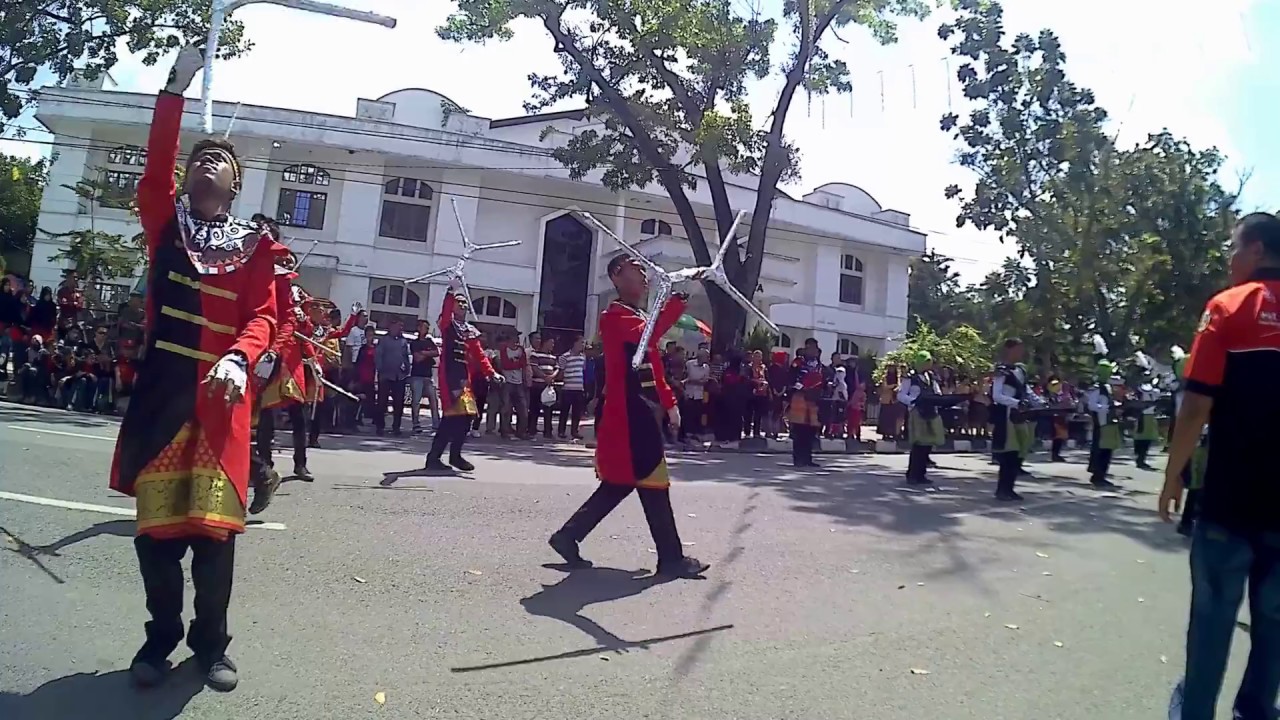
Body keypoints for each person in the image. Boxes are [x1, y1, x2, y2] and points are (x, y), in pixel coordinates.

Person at [108, 45, 281, 693]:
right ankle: (159, 638)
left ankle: (212, 645)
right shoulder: (165, 227)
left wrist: (241, 356)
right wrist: (173, 91)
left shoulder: (254, 244)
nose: (208, 163)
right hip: (163, 402)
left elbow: (265, 315)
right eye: (200, 158)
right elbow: (153, 174)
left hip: (222, 404)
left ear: (236, 185)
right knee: (156, 538)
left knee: (214, 539)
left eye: (222, 161)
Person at [1160, 212, 1280, 720]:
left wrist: (1172, 475)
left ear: (1254, 249)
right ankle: (1256, 710)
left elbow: (1195, 405)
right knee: (1275, 624)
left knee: (1211, 620)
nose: (1230, 258)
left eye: (1234, 247)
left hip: (1230, 502)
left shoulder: (1228, 308)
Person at [547, 255, 708, 579]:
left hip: (644, 410)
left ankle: (568, 536)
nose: (646, 278)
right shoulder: (613, 316)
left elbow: (653, 370)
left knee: (621, 483)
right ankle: (671, 557)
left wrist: (669, 403)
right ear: (617, 276)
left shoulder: (637, 317)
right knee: (653, 480)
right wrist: (678, 300)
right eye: (639, 270)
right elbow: (648, 334)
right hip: (628, 412)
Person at [250, 240, 316, 516]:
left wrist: (311, 355)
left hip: (291, 362)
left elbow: (306, 329)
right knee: (265, 420)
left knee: (299, 419)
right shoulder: (262, 280)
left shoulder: (298, 294)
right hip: (265, 357)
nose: (287, 265)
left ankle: (300, 463)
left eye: (289, 261)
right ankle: (263, 468)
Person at [425, 285, 502, 471]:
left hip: (463, 379)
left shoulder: (470, 331)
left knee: (468, 417)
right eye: (459, 302)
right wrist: (451, 291)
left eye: (465, 303)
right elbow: (444, 310)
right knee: (451, 419)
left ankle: (455, 455)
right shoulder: (447, 325)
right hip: (449, 377)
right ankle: (434, 458)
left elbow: (480, 355)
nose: (463, 305)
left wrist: (492, 373)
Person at [989, 338, 1030, 501]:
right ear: (1009, 350)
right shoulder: (1001, 371)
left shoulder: (1020, 370)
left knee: (1017, 453)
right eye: (1018, 349)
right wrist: (1016, 403)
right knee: (1008, 454)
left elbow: (1026, 392)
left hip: (1018, 416)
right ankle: (1002, 489)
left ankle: (1010, 488)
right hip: (1006, 416)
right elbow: (997, 396)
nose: (1021, 352)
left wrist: (1039, 403)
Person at [898, 351, 944, 485]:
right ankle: (912, 474)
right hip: (917, 413)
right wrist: (913, 401)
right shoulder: (910, 378)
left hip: (931, 411)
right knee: (918, 444)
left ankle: (922, 474)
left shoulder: (931, 377)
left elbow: (937, 392)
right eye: (926, 361)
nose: (929, 364)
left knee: (928, 444)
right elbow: (901, 395)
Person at [1083, 360, 1122, 489]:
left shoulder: (1107, 387)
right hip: (1101, 422)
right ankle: (1097, 476)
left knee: (1108, 450)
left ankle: (1102, 475)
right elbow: (1092, 405)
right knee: (1100, 450)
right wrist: (1106, 408)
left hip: (1109, 422)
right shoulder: (1095, 388)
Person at [788, 342, 824, 468]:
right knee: (799, 431)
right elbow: (791, 378)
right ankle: (798, 459)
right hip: (800, 399)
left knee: (810, 431)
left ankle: (808, 458)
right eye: (810, 348)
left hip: (813, 401)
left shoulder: (819, 365)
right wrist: (803, 387)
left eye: (815, 349)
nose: (813, 351)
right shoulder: (798, 362)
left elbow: (822, 379)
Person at [372, 318, 411, 436]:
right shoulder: (384, 340)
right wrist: (381, 369)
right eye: (398, 326)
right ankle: (380, 427)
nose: (400, 329)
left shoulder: (403, 341)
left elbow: (406, 357)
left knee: (398, 403)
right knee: (382, 403)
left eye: (401, 327)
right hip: (385, 376)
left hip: (399, 377)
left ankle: (396, 427)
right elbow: (378, 356)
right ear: (391, 327)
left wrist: (407, 370)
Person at [490, 332, 529, 438]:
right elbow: (505, 365)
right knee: (506, 407)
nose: (516, 338)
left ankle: (521, 431)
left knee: (523, 408)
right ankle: (504, 430)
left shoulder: (521, 350)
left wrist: (525, 378)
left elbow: (523, 364)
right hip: (507, 382)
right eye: (514, 336)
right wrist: (516, 363)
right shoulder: (504, 349)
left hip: (519, 382)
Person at [409, 319, 440, 434]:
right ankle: (416, 424)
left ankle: (436, 424)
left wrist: (424, 353)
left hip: (428, 375)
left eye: (427, 328)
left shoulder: (429, 341)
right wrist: (428, 354)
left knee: (434, 400)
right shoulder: (414, 343)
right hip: (417, 375)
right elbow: (417, 358)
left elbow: (437, 352)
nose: (426, 330)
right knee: (416, 401)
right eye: (424, 327)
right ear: (418, 328)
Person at [556, 335, 588, 440]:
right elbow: (561, 372)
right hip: (568, 388)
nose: (582, 345)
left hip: (579, 388)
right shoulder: (564, 357)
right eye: (581, 343)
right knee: (564, 411)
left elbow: (583, 371)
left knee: (577, 412)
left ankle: (575, 431)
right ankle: (561, 431)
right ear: (574, 343)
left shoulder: (583, 357)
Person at [1131, 376, 1161, 470]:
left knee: (1145, 439)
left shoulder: (1153, 390)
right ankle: (1140, 459)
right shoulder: (1140, 390)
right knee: (1142, 439)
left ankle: (1141, 459)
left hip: (1147, 416)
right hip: (1142, 416)